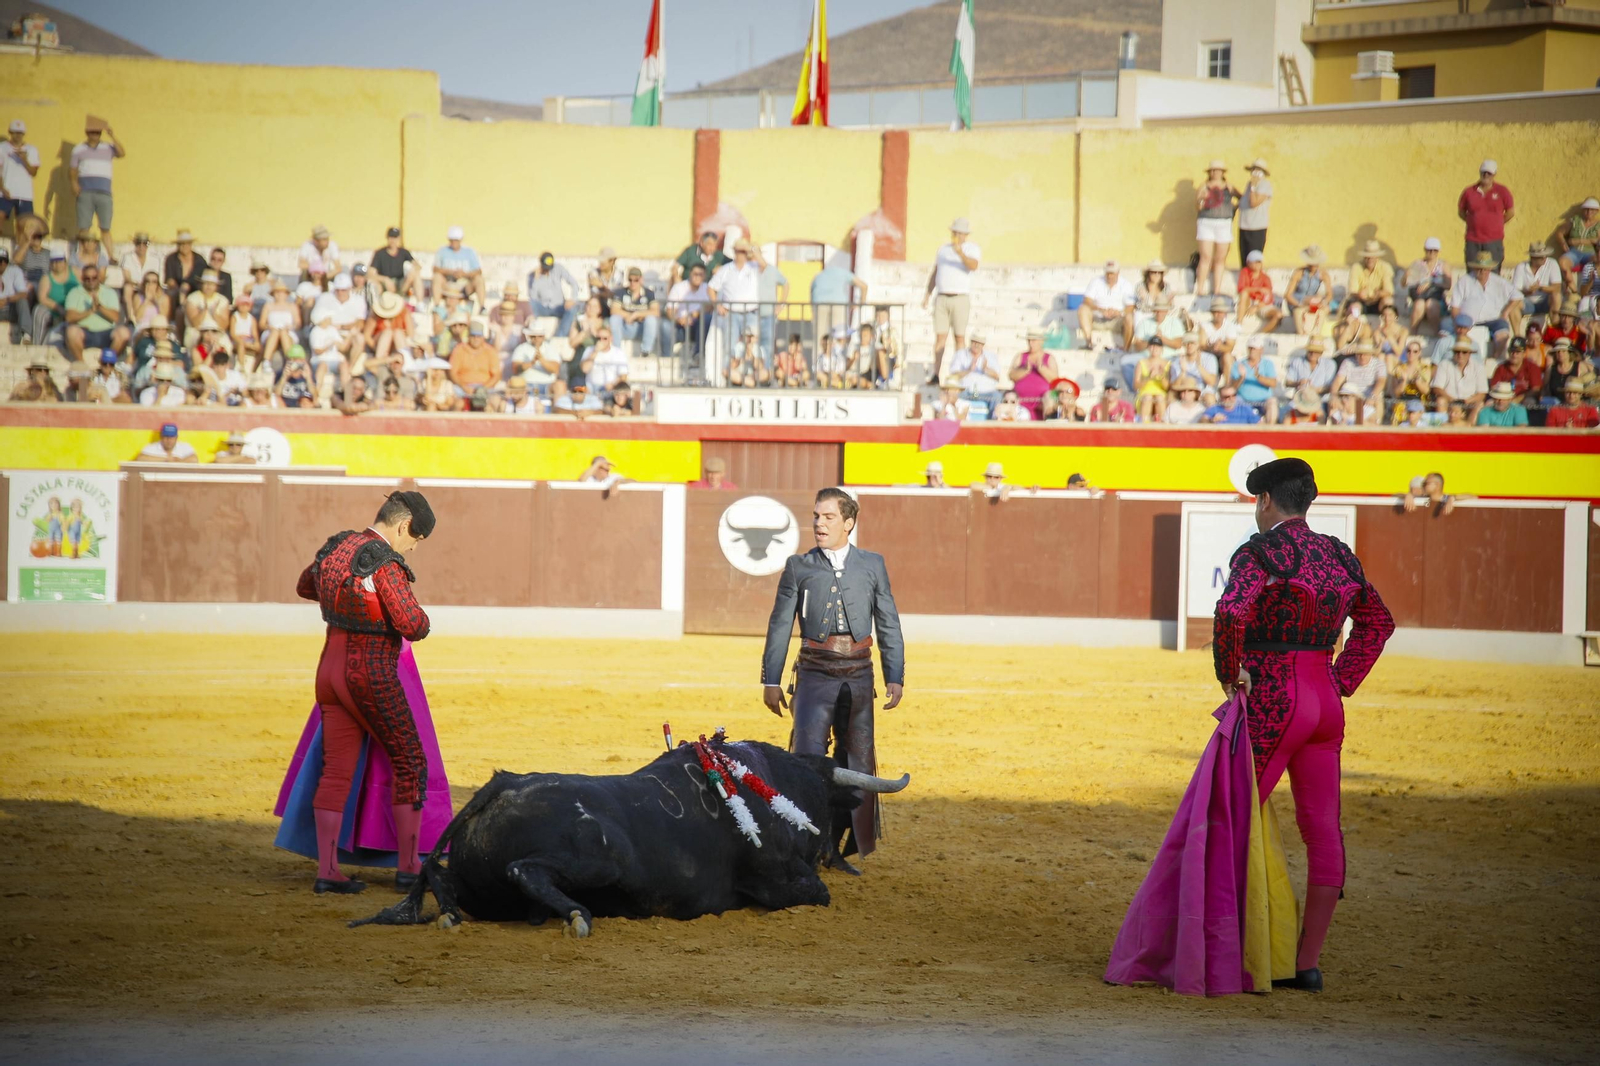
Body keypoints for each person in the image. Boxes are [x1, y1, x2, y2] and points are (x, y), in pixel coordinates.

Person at [1106, 458, 1393, 997]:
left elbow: (1232, 612)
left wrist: (1229, 671)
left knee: (1228, 816)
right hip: (1325, 703)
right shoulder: (1338, 554)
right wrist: (1341, 679)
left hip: (1273, 698)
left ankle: (1217, 952)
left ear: (1264, 501)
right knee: (1323, 831)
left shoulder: (1261, 552)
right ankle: (1306, 964)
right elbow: (1379, 621)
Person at [287, 492, 443, 894]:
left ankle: (327, 871)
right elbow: (412, 624)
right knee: (410, 761)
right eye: (416, 539)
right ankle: (409, 867)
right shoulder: (384, 562)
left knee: (336, 770)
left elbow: (306, 585)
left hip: (329, 670)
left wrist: (349, 600)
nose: (413, 548)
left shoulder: (337, 546)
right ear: (405, 526)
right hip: (368, 673)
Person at [761, 487, 904, 871]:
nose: (819, 524)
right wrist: (771, 679)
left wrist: (895, 673)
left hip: (860, 673)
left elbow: (887, 620)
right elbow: (780, 624)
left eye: (828, 517)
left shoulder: (872, 564)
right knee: (806, 760)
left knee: (856, 762)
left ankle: (834, 850)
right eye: (816, 516)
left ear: (848, 523)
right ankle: (803, 847)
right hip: (814, 671)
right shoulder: (799, 565)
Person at [923, 217, 979, 382]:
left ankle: (959, 373)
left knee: (959, 337)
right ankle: (936, 374)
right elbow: (936, 271)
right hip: (942, 296)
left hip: (960, 297)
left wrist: (960, 253)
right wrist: (928, 293)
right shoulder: (943, 250)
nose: (957, 236)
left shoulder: (971, 249)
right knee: (940, 337)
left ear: (965, 235)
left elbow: (973, 266)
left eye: (960, 233)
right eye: (955, 233)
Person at [1450, 252, 1518, 362]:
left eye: (1485, 269)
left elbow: (1517, 296)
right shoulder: (1464, 281)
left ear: (1490, 269)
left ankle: (1495, 359)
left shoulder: (1499, 281)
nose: (1482, 271)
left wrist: (1506, 312)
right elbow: (1455, 306)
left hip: (1493, 320)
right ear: (1474, 268)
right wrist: (1460, 323)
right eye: (1479, 269)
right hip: (1469, 321)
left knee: (1503, 333)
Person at [70, 116, 124, 248]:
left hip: (104, 192)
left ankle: (111, 255)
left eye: (98, 132)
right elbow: (73, 169)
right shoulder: (78, 149)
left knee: (105, 227)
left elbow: (122, 153)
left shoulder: (108, 147)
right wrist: (74, 183)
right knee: (84, 227)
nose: (95, 135)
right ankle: (81, 253)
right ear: (87, 132)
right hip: (85, 192)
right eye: (93, 132)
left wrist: (112, 135)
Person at [1194, 160, 1240, 298]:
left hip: (1224, 223)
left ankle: (1217, 290)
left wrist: (1232, 209)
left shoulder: (1229, 186)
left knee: (1220, 258)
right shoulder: (1203, 186)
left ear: (1222, 172)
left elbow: (1241, 198)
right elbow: (1197, 206)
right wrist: (1202, 199)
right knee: (1205, 257)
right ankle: (1200, 289)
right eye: (1212, 170)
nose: (1215, 173)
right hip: (1206, 222)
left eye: (1217, 170)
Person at [1457, 159, 1513, 267]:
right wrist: (1472, 221)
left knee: (1493, 271)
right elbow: (1461, 211)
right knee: (1472, 270)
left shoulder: (1502, 191)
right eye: (1483, 172)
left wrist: (1498, 222)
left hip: (1494, 240)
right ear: (1480, 172)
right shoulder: (1469, 191)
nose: (1486, 175)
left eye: (1489, 173)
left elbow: (1510, 212)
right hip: (1473, 240)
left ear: (1494, 174)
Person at [1078, 259, 1135, 351]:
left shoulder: (1126, 285)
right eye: (1108, 273)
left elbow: (1130, 307)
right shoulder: (1096, 282)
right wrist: (1101, 310)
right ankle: (1089, 343)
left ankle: (1126, 349)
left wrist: (1119, 312)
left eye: (1112, 273)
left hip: (1117, 321)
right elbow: (1087, 300)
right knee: (1083, 309)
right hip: (1097, 319)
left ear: (1118, 272)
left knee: (1130, 317)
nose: (1109, 276)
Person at [1509, 243, 1562, 337]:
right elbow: (1515, 291)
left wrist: (1540, 288)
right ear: (1533, 258)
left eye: (1545, 256)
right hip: (1528, 302)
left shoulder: (1552, 263)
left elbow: (1557, 287)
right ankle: (1517, 337)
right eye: (1541, 257)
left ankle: (1555, 328)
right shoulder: (1521, 267)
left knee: (1556, 296)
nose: (1545, 258)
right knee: (1513, 302)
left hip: (1546, 301)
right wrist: (1528, 291)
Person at [1404, 237, 1453, 333]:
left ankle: (1436, 333)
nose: (1432, 253)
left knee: (1431, 304)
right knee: (1419, 304)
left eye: (1435, 250)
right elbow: (1404, 283)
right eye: (1429, 250)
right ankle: (1413, 333)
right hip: (1420, 297)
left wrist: (1431, 283)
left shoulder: (1443, 265)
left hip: (1436, 298)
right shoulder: (1417, 264)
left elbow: (1448, 285)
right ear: (1425, 250)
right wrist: (1406, 276)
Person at [1, 119, 40, 238]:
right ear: (10, 132)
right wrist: (2, 188)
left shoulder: (32, 150)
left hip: (24, 194)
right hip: (5, 192)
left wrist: (24, 160)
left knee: (25, 226)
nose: (17, 136)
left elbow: (33, 172)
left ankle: (21, 247)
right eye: (14, 132)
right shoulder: (2, 148)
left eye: (20, 133)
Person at [527, 251, 579, 338]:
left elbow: (574, 283)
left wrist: (573, 299)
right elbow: (533, 297)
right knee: (530, 305)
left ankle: (559, 336)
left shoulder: (558, 268)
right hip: (543, 307)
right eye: (545, 268)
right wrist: (535, 280)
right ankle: (533, 333)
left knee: (573, 308)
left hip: (559, 307)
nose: (547, 270)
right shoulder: (532, 275)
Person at [1009, 327, 1057, 419]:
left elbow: (1055, 380)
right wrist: (1025, 370)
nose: (1031, 343)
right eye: (1029, 340)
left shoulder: (1049, 358)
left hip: (1042, 401)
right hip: (1021, 399)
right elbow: (1011, 376)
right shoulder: (1020, 356)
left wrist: (1042, 369)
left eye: (1034, 340)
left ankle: (1049, 420)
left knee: (1050, 397)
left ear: (1041, 342)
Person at [1284, 246, 1331, 336]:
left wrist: (1324, 302)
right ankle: (1301, 333)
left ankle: (1316, 333)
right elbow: (1288, 295)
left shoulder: (1323, 274)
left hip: (1313, 302)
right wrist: (1299, 304)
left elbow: (1329, 294)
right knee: (1298, 311)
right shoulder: (1299, 273)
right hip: (1297, 301)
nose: (1313, 266)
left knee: (1325, 309)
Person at [1556, 197, 1600, 293]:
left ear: (1597, 211)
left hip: (1590, 252)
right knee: (1563, 262)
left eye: (1592, 210)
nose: (1589, 212)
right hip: (1574, 252)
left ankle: (1589, 289)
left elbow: (1598, 240)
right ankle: (1572, 285)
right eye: (1587, 209)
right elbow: (1559, 233)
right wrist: (1563, 244)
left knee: (1597, 263)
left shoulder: (1598, 225)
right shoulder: (1575, 221)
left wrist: (1578, 241)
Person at [435, 226, 485, 307]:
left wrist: (464, 274)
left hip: (465, 285)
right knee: (437, 277)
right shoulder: (442, 251)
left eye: (456, 240)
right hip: (448, 284)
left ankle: (482, 306)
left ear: (460, 240)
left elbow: (478, 271)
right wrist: (451, 272)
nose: (454, 242)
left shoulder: (469, 252)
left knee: (479, 279)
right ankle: (436, 305)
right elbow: (435, 269)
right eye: (452, 240)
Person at [1237, 158, 1272, 268]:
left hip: (1257, 228)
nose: (1254, 172)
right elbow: (1245, 201)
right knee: (1244, 259)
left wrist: (1253, 186)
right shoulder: (1249, 185)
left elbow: (1253, 203)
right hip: (1244, 226)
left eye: (1258, 170)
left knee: (1254, 259)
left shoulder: (1265, 185)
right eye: (1253, 169)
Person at [1235, 250, 1282, 333]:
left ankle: (1261, 334)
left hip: (1261, 303)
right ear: (1248, 263)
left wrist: (1256, 307)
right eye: (1255, 262)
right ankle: (1239, 324)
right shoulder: (1244, 272)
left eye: (1259, 262)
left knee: (1278, 315)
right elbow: (1242, 289)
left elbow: (1268, 297)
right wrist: (1258, 289)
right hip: (1248, 301)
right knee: (1244, 293)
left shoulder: (1266, 278)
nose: (1257, 264)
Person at [370, 226, 418, 297]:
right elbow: (371, 274)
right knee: (373, 283)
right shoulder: (380, 253)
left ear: (399, 239)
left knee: (415, 276)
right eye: (391, 237)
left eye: (395, 237)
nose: (393, 240)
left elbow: (416, 265)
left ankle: (418, 302)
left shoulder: (404, 252)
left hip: (401, 284)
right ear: (387, 238)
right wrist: (385, 279)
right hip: (385, 285)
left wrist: (411, 272)